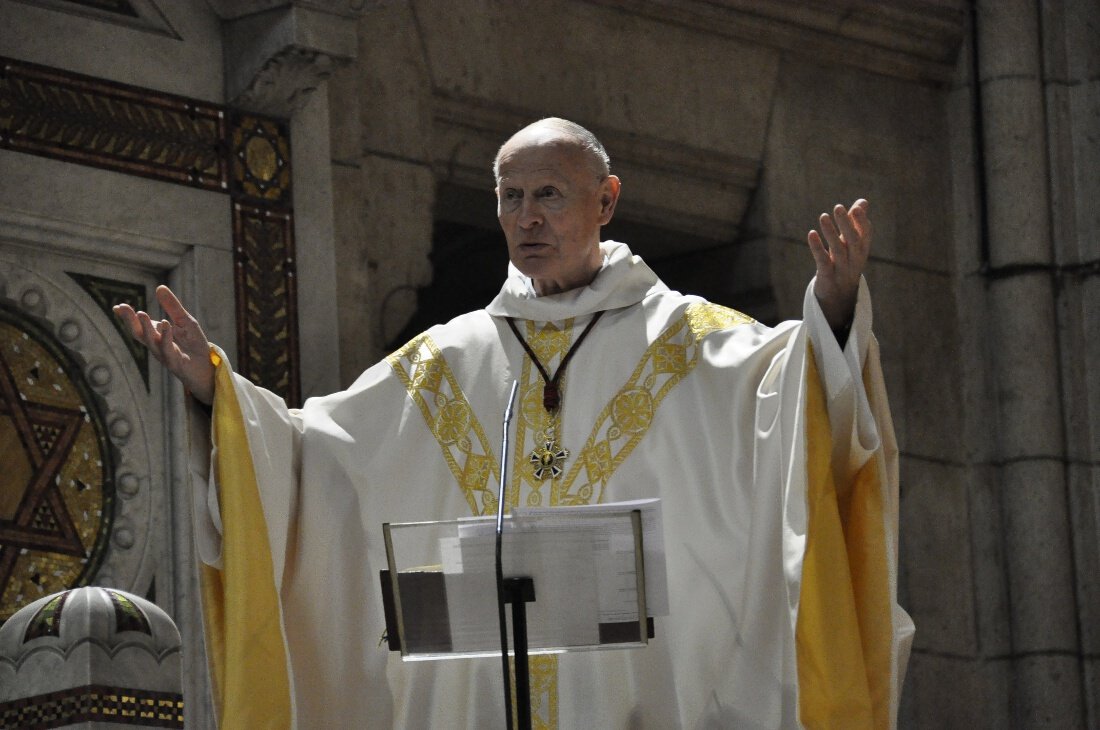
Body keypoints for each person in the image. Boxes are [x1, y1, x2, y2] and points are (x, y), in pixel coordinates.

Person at [116, 117, 913, 729]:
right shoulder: (444, 361)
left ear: (606, 200)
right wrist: (217, 394)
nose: (526, 218)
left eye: (549, 195)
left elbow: (799, 406)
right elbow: (313, 457)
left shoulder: (692, 343)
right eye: (510, 197)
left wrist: (834, 312)